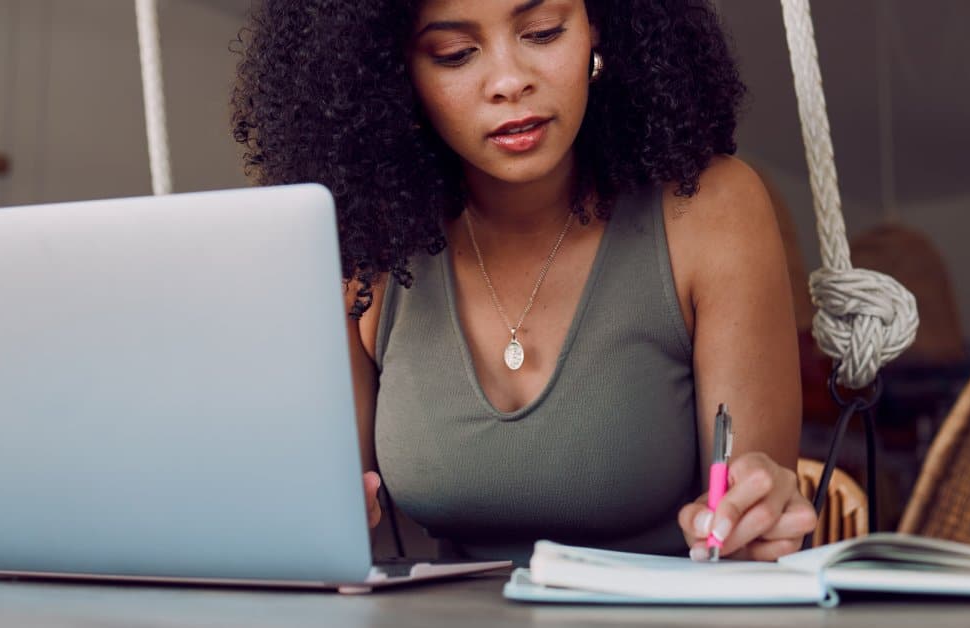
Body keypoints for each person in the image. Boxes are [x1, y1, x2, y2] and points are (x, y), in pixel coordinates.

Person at [231, 0, 817, 564]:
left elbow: (750, 528)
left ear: (598, 26)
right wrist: (299, 515)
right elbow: (313, 514)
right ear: (393, 74)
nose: (509, 81)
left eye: (541, 32)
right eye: (456, 53)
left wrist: (756, 514)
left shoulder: (707, 209)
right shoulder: (367, 243)